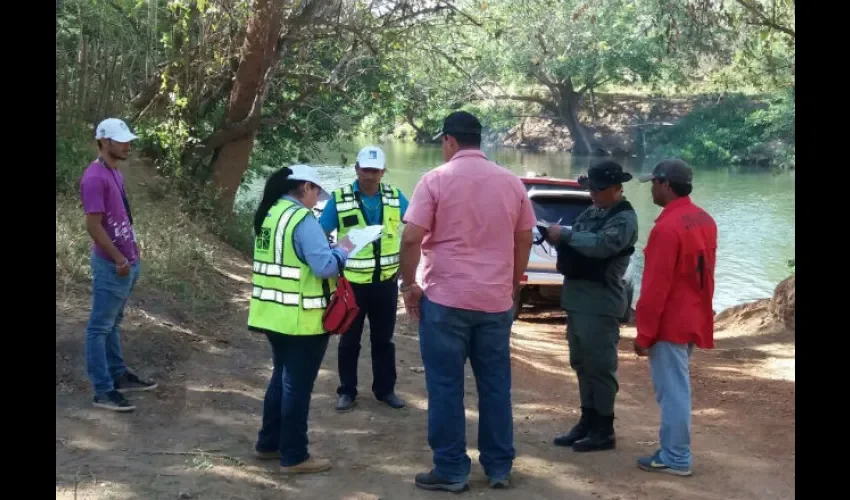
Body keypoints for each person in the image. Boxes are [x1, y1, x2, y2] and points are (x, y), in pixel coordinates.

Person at [400, 111, 536, 492]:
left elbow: (411, 238)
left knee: (445, 386)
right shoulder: (511, 183)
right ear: (479, 141)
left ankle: (451, 470)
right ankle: (498, 467)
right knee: (495, 385)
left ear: (449, 141)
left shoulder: (435, 181)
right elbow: (524, 238)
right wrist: (511, 286)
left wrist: (408, 285)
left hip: (445, 301)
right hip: (494, 303)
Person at [249, 164, 355, 475]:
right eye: (316, 192)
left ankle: (268, 444)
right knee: (296, 387)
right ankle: (294, 456)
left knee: (280, 380)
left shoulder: (270, 213)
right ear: (305, 187)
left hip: (271, 314)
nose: (318, 198)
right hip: (302, 319)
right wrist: (345, 249)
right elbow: (324, 267)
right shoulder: (302, 219)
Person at [543, 161, 638, 452]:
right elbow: (581, 235)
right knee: (582, 364)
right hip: (577, 299)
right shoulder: (593, 210)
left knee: (600, 366)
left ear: (615, 188)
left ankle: (604, 427)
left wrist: (567, 236)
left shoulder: (624, 218)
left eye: (597, 190)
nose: (592, 194)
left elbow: (601, 246)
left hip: (600, 302)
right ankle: (587, 419)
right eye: (591, 189)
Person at [633, 159, 717, 477]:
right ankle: (673, 451)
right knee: (676, 388)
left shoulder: (666, 229)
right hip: (695, 313)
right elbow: (707, 274)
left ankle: (676, 457)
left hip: (670, 322)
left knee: (673, 392)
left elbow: (655, 289)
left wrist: (644, 335)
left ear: (666, 184)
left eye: (654, 183)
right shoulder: (704, 219)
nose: (651, 188)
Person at [319, 146, 409, 412]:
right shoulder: (340, 199)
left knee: (384, 340)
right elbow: (320, 233)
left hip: (386, 282)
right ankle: (347, 391)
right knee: (349, 340)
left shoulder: (395, 197)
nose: (370, 176)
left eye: (375, 170)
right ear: (356, 169)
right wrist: (331, 264)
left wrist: (408, 264)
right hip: (352, 284)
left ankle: (385, 390)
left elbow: (415, 226)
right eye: (365, 170)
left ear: (383, 172)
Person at [80, 118, 157, 413]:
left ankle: (118, 374)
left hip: (127, 261)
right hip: (113, 265)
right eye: (120, 140)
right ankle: (103, 390)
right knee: (99, 327)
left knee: (113, 323)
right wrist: (119, 258)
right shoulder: (94, 178)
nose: (127, 145)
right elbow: (93, 226)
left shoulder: (114, 172)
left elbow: (122, 216)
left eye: (127, 140)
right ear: (103, 141)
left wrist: (133, 251)